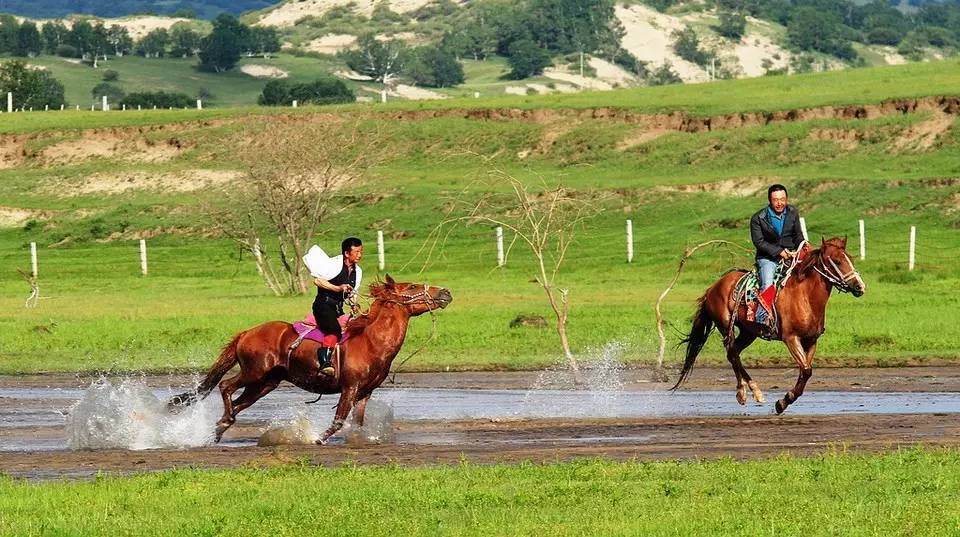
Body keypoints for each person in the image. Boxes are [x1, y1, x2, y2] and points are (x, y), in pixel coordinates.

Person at [305, 237, 363, 376]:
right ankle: (324, 362)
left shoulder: (358, 272)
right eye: (356, 252)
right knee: (334, 330)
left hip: (338, 308)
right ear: (347, 253)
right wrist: (337, 288)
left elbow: (353, 292)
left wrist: (354, 303)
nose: (359, 255)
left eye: (361, 251)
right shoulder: (334, 265)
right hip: (323, 305)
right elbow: (318, 281)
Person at [749, 184, 802, 325]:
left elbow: (798, 236)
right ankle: (762, 318)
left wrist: (803, 244)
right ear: (769, 200)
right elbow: (759, 242)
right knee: (767, 282)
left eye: (782, 199)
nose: (780, 203)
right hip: (768, 258)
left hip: (791, 254)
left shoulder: (793, 212)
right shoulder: (758, 218)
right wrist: (779, 252)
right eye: (776, 200)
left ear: (787, 199)